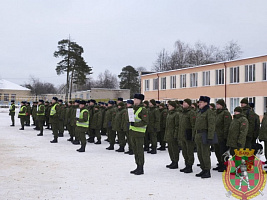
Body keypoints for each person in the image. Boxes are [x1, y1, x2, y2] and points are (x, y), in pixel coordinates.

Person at [194, 96, 215, 179]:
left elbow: (211, 125)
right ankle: (203, 169)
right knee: (199, 153)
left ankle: (207, 170)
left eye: (201, 102)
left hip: (205, 134)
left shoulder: (209, 112)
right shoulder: (200, 112)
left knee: (205, 153)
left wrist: (210, 137)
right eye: (199, 102)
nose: (199, 103)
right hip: (198, 134)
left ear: (206, 103)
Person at [129, 93, 148, 175]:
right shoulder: (133, 109)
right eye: (134, 99)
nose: (134, 100)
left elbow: (145, 121)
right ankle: (137, 166)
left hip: (139, 133)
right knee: (135, 150)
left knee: (139, 151)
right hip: (133, 132)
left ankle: (141, 167)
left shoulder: (143, 110)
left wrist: (135, 124)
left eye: (136, 99)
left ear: (140, 100)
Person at [213, 99, 232, 172]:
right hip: (216, 135)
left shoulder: (225, 113)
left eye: (218, 104)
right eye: (216, 104)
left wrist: (225, 136)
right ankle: (220, 163)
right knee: (217, 151)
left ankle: (224, 165)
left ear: (222, 105)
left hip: (222, 136)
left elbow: (227, 125)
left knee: (223, 152)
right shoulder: (216, 113)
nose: (217, 106)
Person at [178, 99, 196, 173]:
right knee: (184, 151)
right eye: (183, 102)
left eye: (185, 103)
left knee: (189, 151)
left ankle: (190, 166)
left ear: (189, 104)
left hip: (189, 134)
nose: (184, 104)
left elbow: (193, 125)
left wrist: (192, 135)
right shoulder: (182, 113)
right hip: (182, 134)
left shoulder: (191, 113)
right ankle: (186, 165)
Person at [164, 101, 180, 169]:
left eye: (169, 105)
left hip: (173, 133)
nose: (168, 106)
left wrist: (175, 135)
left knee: (174, 149)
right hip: (168, 133)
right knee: (170, 148)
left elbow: (177, 125)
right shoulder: (169, 114)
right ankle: (172, 161)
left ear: (173, 106)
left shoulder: (176, 114)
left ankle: (175, 162)